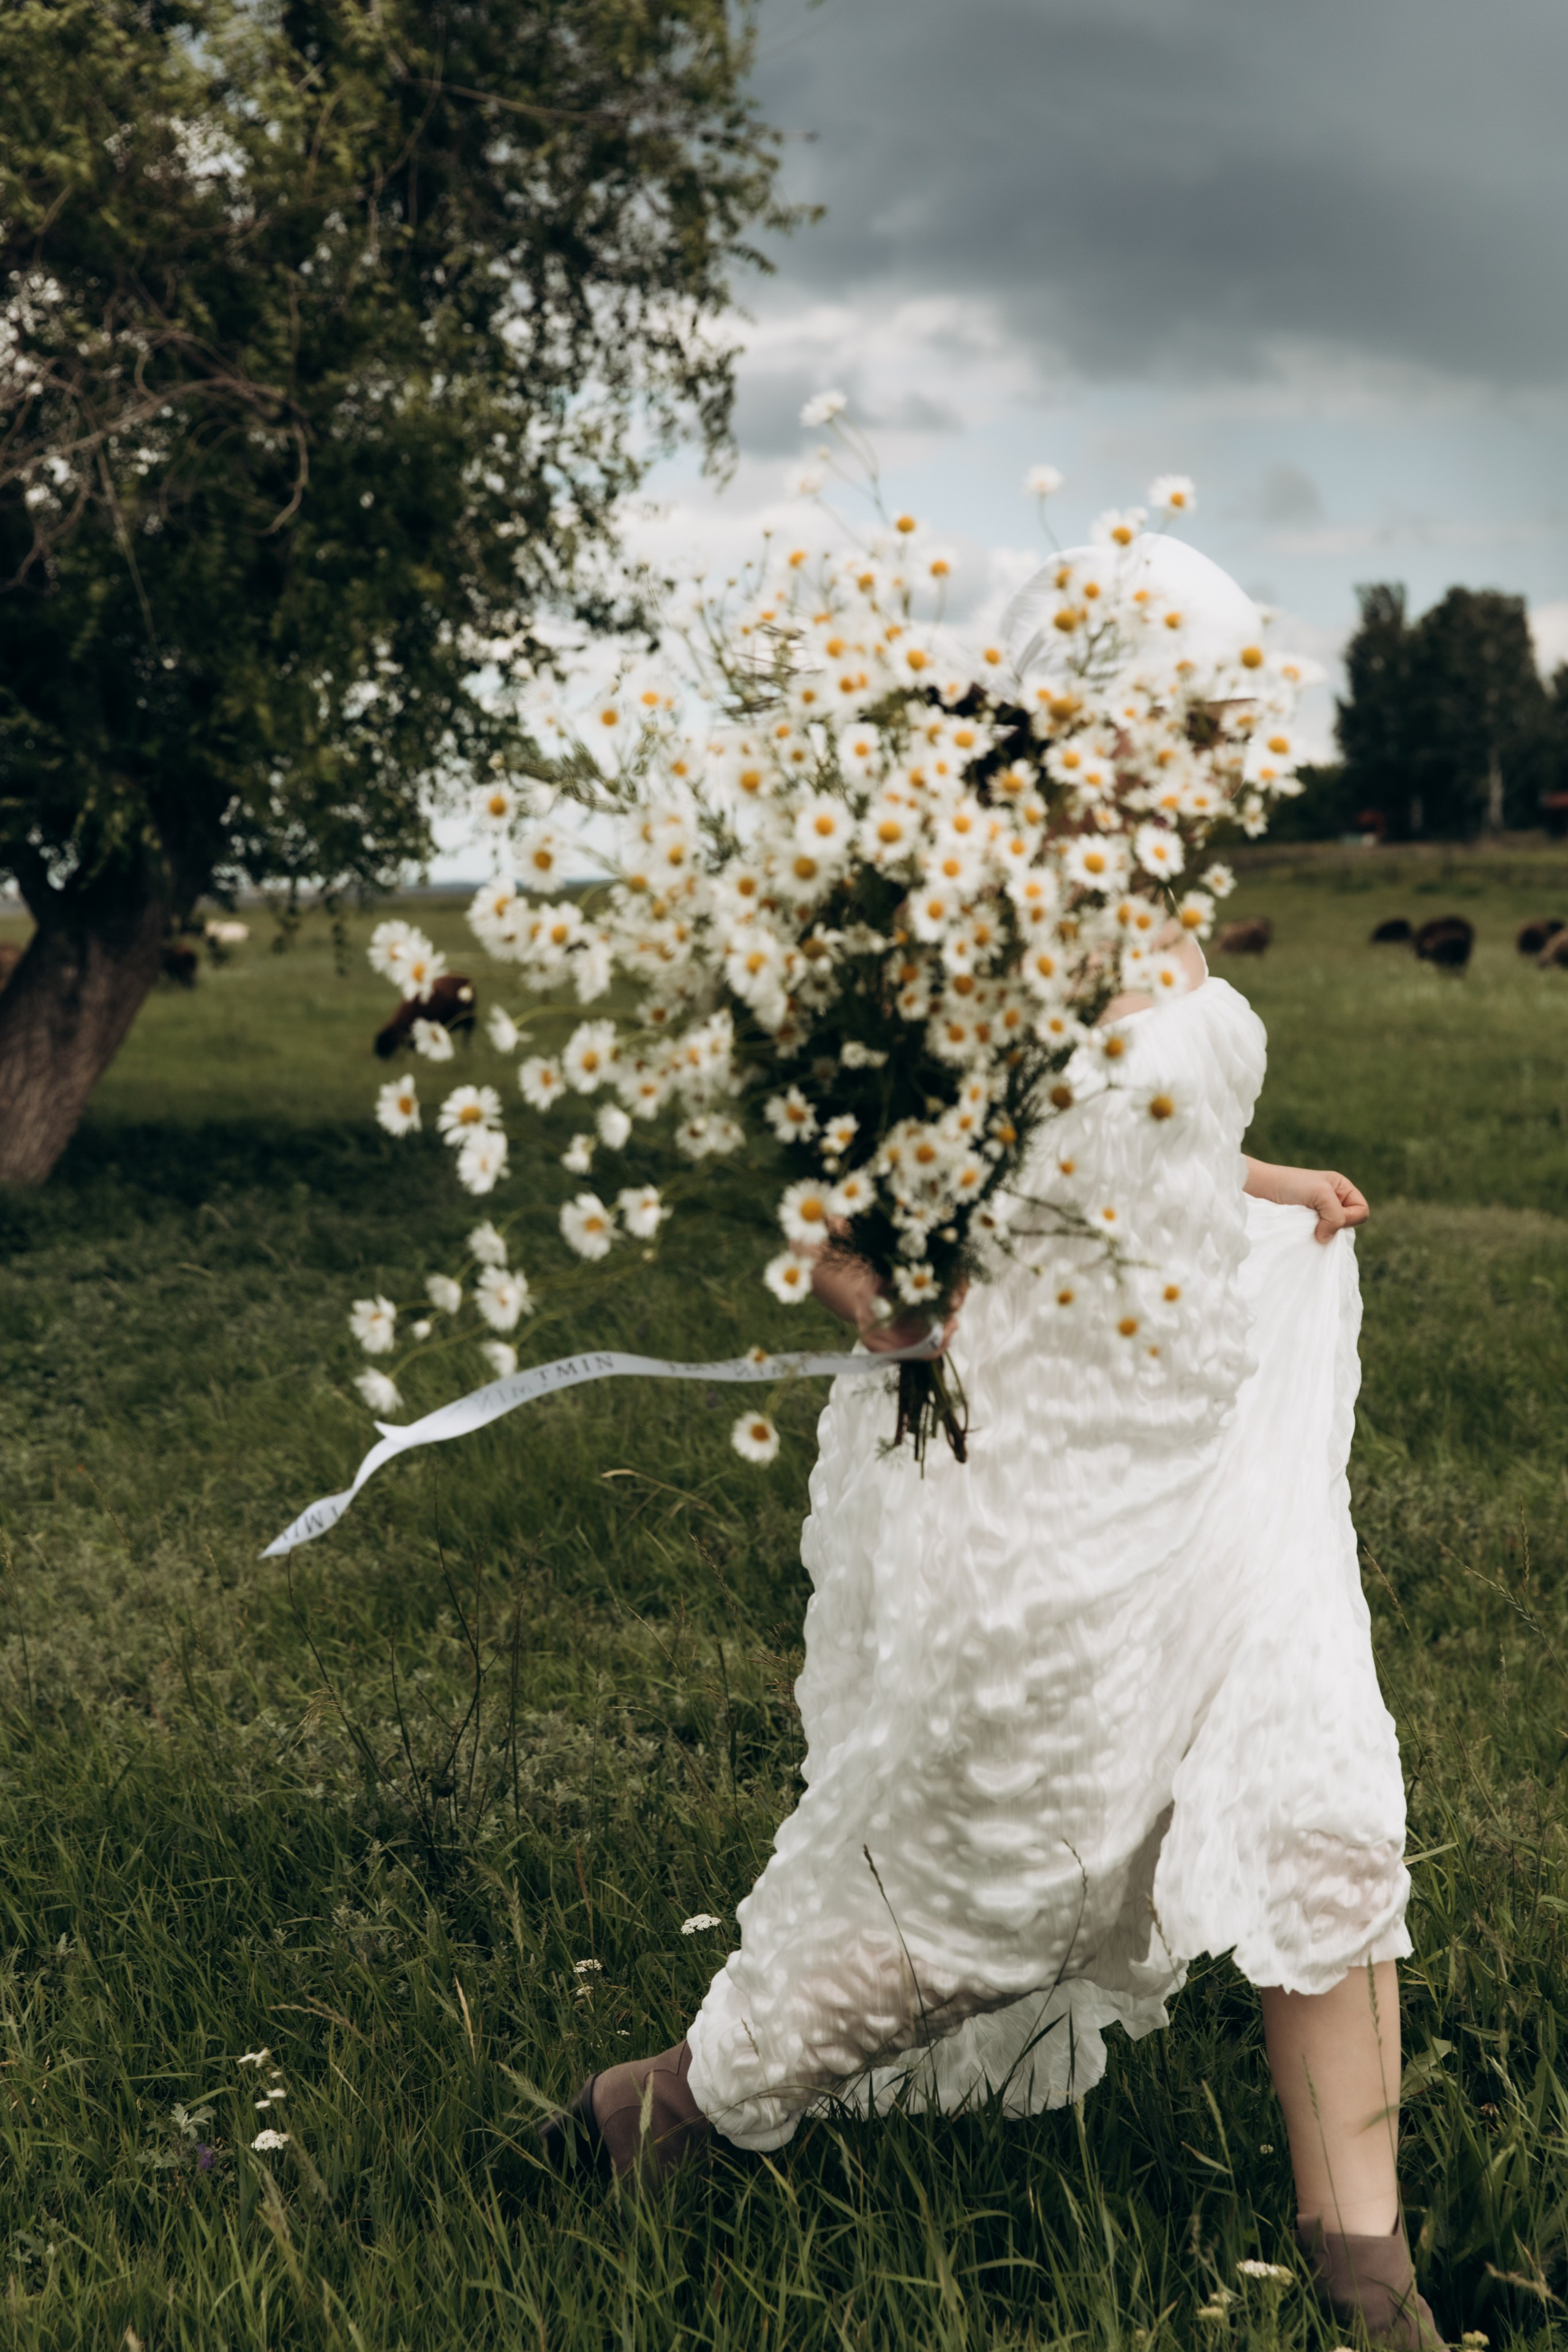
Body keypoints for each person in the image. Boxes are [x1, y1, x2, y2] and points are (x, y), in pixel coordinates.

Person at [542, 554, 1438, 2351]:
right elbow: (840, 1205)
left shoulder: (1158, 887)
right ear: (1077, 713)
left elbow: (1152, 1129)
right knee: (992, 1896)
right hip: (1041, 1478)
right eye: (1172, 725)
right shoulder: (940, 921)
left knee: (1326, 1807)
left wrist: (1259, 1184)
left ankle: (1372, 2284)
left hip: (1218, 1438)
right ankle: (676, 2105)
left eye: (1212, 730)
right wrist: (876, 1291)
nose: (1201, 763)